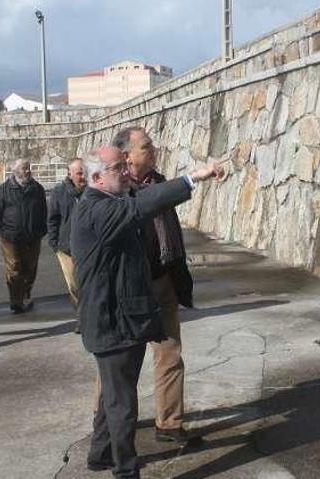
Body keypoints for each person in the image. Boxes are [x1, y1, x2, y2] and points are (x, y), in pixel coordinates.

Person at [72, 145, 223, 477]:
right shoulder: (96, 211)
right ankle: (126, 471)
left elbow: (142, 198)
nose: (126, 172)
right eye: (117, 168)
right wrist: (193, 178)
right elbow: (141, 206)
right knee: (122, 403)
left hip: (121, 318)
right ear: (96, 177)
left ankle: (100, 454)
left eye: (126, 166)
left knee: (113, 394)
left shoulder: (108, 203)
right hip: (112, 322)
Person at [115, 127, 195, 444]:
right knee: (120, 361)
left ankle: (170, 423)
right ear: (127, 156)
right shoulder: (117, 190)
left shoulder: (158, 182)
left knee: (170, 354)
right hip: (131, 289)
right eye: (146, 146)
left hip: (163, 279)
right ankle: (107, 421)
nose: (154, 149)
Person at [0, 159, 47, 313]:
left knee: (30, 269)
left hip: (32, 237)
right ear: (15, 171)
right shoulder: (4, 190)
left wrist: (42, 230)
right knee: (15, 269)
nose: (28, 171)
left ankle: (25, 294)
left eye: (29, 168)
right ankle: (16, 302)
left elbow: (43, 211)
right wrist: (0, 231)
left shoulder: (37, 189)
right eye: (24, 169)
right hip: (10, 238)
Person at [47, 158, 85, 322]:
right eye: (79, 173)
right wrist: (54, 243)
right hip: (66, 247)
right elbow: (53, 218)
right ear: (70, 174)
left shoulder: (94, 189)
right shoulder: (59, 191)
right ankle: (81, 317)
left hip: (88, 246)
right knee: (74, 286)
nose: (83, 176)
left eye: (85, 172)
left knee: (89, 284)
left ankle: (90, 316)